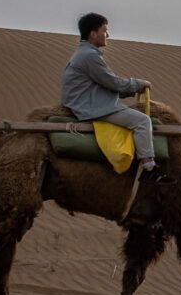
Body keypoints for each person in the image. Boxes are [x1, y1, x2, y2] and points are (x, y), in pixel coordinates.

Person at [60, 12, 158, 176]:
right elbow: (112, 82)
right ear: (93, 34)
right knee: (142, 121)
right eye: (104, 31)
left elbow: (106, 85)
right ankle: (149, 167)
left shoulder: (84, 54)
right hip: (90, 107)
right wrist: (138, 84)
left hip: (88, 102)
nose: (108, 35)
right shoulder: (89, 56)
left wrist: (130, 89)